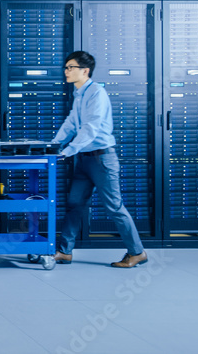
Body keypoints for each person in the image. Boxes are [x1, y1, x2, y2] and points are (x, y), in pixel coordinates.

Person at [51, 51, 147, 268]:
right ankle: (65, 251)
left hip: (102, 159)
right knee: (75, 204)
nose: (66, 71)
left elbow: (90, 129)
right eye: (65, 67)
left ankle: (137, 252)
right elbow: (71, 124)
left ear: (85, 71)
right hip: (84, 159)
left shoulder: (96, 93)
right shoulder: (79, 94)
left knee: (114, 206)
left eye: (70, 67)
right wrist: (55, 145)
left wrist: (68, 151)